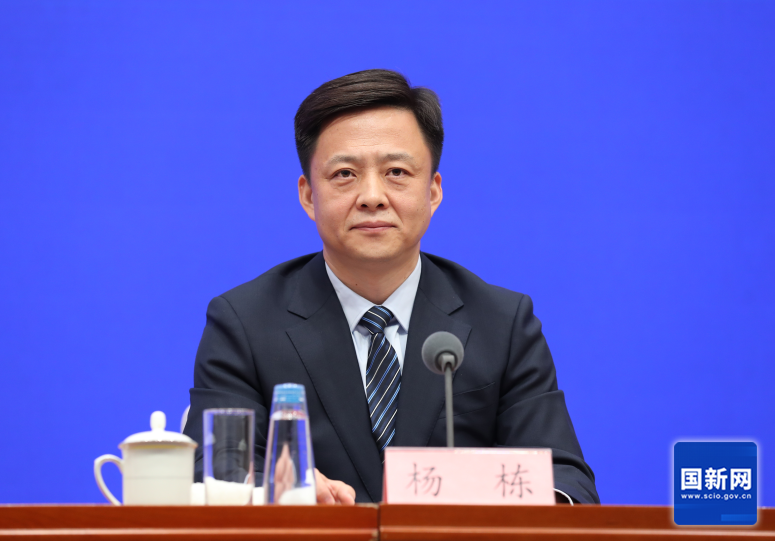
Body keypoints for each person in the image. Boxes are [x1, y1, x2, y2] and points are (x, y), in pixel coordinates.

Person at [184, 69, 600, 505]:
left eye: (396, 172)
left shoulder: (502, 323)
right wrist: (276, 492)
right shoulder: (245, 323)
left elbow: (565, 480)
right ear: (308, 196)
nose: (372, 196)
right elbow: (215, 471)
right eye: (345, 174)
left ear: (433, 191)